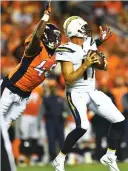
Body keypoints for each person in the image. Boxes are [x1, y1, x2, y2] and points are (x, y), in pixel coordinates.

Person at [52, 16, 125, 171]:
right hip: (76, 92)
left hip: (91, 91)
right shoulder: (65, 50)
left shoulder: (88, 43)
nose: (86, 31)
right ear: (75, 30)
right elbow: (68, 79)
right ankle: (59, 159)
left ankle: (110, 156)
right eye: (83, 28)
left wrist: (102, 41)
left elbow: (88, 48)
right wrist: (86, 64)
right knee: (83, 126)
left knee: (119, 120)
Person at [0, 1, 61, 128]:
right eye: (52, 36)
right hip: (10, 88)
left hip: (24, 96)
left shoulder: (55, 55)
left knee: (4, 127)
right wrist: (45, 16)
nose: (55, 41)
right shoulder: (36, 46)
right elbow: (36, 36)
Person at [42, 79, 69, 162]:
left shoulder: (61, 99)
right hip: (50, 121)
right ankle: (52, 157)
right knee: (51, 140)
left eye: (54, 87)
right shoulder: (46, 99)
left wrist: (64, 116)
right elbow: (43, 110)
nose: (53, 89)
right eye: (51, 88)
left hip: (59, 121)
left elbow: (66, 110)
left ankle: (63, 157)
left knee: (61, 140)